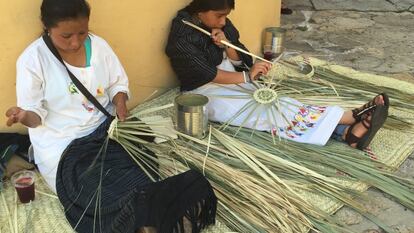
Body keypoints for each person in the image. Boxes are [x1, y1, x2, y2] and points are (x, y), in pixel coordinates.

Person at [5, 0, 217, 232]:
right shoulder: (33, 59)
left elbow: (118, 84)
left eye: (82, 32)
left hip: (103, 132)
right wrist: (24, 115)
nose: (75, 42)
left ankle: (148, 218)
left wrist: (121, 106)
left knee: (137, 174)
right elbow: (35, 119)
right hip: (62, 146)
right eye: (65, 36)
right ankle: (135, 222)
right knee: (91, 190)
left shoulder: (98, 46)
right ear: (47, 27)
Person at [165, 0, 389, 150]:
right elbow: (207, 75)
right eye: (219, 16)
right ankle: (347, 122)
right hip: (204, 92)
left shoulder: (216, 22)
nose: (223, 21)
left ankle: (346, 129)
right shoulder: (181, 37)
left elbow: (239, 59)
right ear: (200, 12)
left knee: (277, 102)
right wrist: (248, 77)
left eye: (226, 16)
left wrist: (226, 44)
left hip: (230, 79)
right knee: (263, 112)